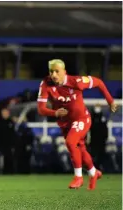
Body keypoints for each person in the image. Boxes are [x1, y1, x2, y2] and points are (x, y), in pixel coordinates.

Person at [37, 59, 117, 190]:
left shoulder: (77, 82)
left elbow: (99, 83)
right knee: (80, 149)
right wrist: (55, 113)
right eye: (51, 71)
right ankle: (93, 172)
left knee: (70, 142)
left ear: (64, 72)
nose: (54, 75)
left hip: (82, 119)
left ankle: (78, 177)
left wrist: (110, 101)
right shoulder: (46, 83)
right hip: (65, 123)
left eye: (57, 71)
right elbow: (41, 109)